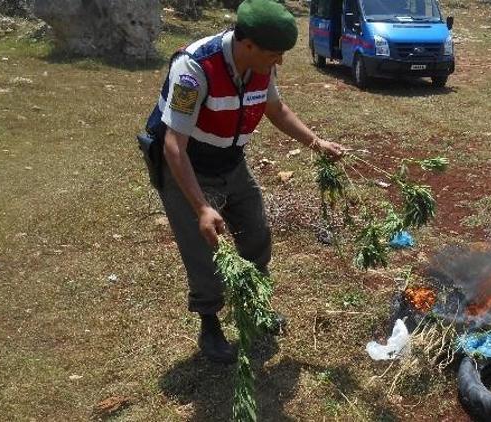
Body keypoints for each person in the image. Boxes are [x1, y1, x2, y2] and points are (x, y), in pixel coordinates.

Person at [142, 0, 345, 363]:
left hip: (231, 162)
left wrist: (316, 143)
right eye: (275, 54)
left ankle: (255, 307)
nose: (279, 61)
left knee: (256, 233)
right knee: (204, 251)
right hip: (189, 167)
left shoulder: (260, 67)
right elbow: (174, 146)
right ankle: (210, 325)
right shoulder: (194, 68)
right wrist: (202, 207)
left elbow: (276, 110)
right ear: (246, 44)